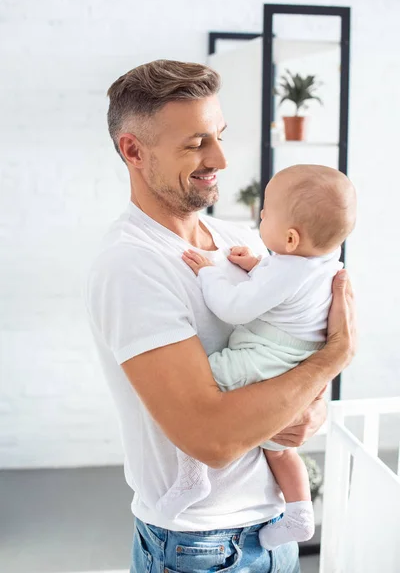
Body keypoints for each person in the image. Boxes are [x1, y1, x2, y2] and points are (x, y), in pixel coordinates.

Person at [85, 60, 356, 573]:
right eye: (195, 144)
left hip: (271, 530)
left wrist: (309, 413)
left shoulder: (245, 241)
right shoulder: (132, 264)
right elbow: (211, 439)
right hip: (201, 545)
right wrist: (334, 358)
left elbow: (298, 363)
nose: (221, 160)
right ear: (133, 151)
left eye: (220, 136)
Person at [156, 165, 356, 552]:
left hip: (265, 355)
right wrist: (257, 265)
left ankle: (192, 475)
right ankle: (298, 513)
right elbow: (286, 282)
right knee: (278, 445)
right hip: (297, 359)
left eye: (265, 214)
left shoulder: (287, 269)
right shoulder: (325, 259)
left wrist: (209, 274)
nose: (259, 218)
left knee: (198, 388)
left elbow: (235, 308)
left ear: (291, 237)